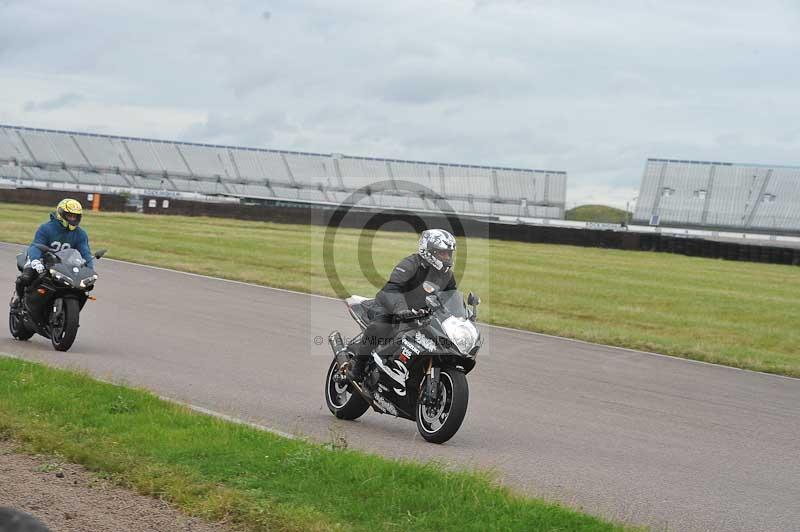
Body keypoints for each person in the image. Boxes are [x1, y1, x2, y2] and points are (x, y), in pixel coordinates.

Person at [348, 228, 457, 383]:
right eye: (442, 253)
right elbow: (392, 289)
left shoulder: (446, 275)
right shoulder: (411, 264)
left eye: (448, 253)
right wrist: (401, 310)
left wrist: (461, 317)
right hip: (390, 308)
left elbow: (451, 299)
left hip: (420, 317)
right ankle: (359, 366)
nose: (447, 257)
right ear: (429, 251)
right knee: (381, 326)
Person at [13, 199, 93, 306]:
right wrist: (36, 261)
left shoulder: (80, 234)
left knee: (79, 288)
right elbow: (35, 246)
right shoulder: (46, 228)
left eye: (75, 216)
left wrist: (90, 269)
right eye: (70, 215)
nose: (73, 219)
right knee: (26, 277)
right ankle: (18, 298)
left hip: (64, 264)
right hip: (41, 260)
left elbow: (85, 253)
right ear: (61, 214)